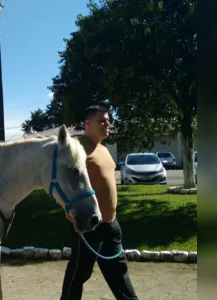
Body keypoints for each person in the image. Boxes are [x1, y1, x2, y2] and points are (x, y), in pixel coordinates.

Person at [60, 105, 138, 300]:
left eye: (108, 120)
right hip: (88, 225)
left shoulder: (103, 148)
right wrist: (67, 208)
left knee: (119, 271)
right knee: (79, 274)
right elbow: (61, 182)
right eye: (102, 120)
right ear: (88, 124)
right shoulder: (75, 147)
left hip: (111, 224)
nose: (107, 124)